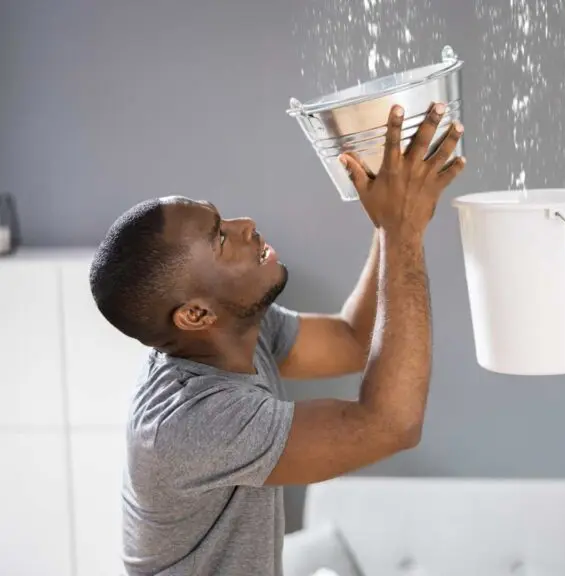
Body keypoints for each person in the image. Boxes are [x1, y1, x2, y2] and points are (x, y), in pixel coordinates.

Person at [88, 102, 465, 576]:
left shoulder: (236, 328)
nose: (244, 225)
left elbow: (352, 339)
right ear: (195, 313)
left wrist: (390, 221)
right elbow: (392, 425)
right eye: (220, 238)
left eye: (222, 219)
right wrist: (402, 229)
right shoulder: (194, 424)